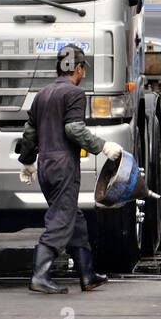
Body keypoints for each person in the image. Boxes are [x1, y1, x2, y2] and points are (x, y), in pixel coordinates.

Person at [17, 44, 123, 294]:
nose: (83, 73)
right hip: (64, 165)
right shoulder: (74, 94)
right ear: (77, 68)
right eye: (83, 68)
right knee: (61, 220)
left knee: (74, 219)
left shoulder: (42, 94)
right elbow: (73, 129)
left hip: (45, 166)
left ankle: (88, 275)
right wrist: (103, 146)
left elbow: (30, 132)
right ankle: (39, 276)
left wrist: (27, 162)